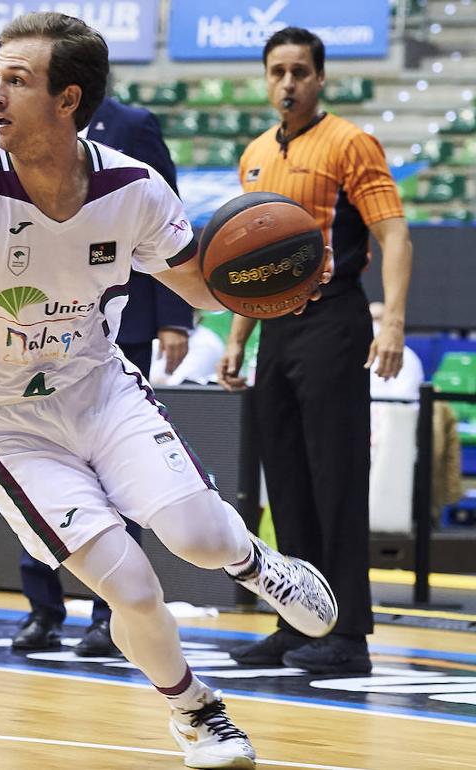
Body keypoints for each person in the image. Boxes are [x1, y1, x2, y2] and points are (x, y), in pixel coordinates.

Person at [0, 13, 339, 769]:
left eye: (16, 81)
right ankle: (197, 712)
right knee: (134, 587)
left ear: (67, 99)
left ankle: (254, 561)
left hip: (101, 390)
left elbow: (200, 287)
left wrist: (273, 284)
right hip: (5, 423)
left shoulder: (134, 189)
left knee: (200, 537)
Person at [218, 27, 413, 675]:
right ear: (266, 78)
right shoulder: (252, 155)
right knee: (288, 484)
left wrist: (393, 325)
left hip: (335, 322)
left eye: (300, 71)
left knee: (336, 479)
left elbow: (395, 235)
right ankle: (295, 621)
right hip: (274, 329)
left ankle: (349, 635)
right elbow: (248, 264)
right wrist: (239, 338)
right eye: (277, 71)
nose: (288, 82)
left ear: (320, 78)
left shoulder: (350, 142)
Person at [13, 93, 193, 656]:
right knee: (32, 462)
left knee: (117, 474)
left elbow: (169, 219)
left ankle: (107, 615)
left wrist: (175, 320)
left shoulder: (134, 126)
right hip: (33, 317)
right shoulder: (22, 122)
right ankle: (42, 611)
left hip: (119, 321)